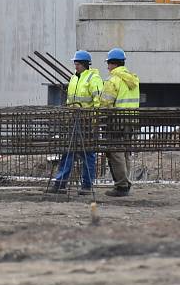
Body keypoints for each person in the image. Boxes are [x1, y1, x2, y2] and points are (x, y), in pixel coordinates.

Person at [47, 50, 103, 195]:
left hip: (87, 122)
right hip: (73, 121)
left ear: (84, 64)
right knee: (68, 152)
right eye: (75, 64)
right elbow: (69, 100)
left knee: (88, 154)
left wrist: (95, 121)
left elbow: (98, 102)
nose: (75, 66)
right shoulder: (73, 78)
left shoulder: (93, 78)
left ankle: (86, 185)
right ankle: (60, 184)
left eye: (77, 64)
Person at [99, 47, 140, 197]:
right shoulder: (133, 79)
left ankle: (121, 185)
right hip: (131, 121)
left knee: (116, 153)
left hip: (116, 122)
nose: (107, 67)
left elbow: (105, 104)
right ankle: (125, 183)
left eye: (108, 63)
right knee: (125, 153)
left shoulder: (113, 80)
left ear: (114, 64)